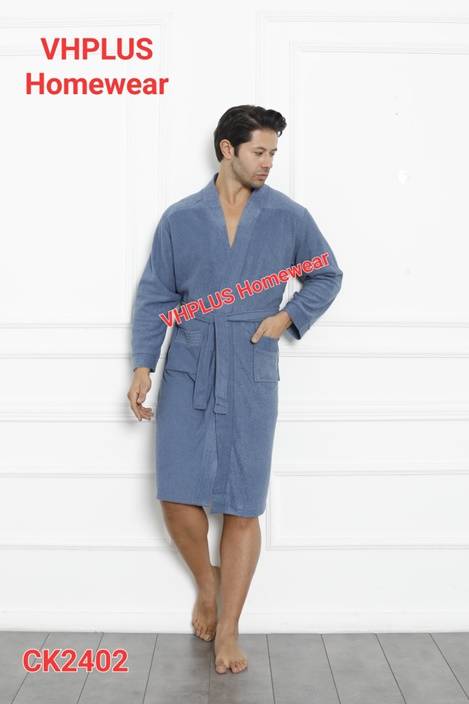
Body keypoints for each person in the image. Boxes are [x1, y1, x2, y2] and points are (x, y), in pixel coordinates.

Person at [127, 105, 343, 674]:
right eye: (259, 151)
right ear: (228, 149)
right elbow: (156, 295)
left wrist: (287, 317)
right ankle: (209, 583)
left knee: (243, 504)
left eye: (274, 153)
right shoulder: (180, 218)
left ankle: (229, 628)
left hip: (250, 362)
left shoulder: (289, 217)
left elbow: (327, 274)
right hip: (191, 360)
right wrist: (143, 365)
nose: (268, 162)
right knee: (177, 496)